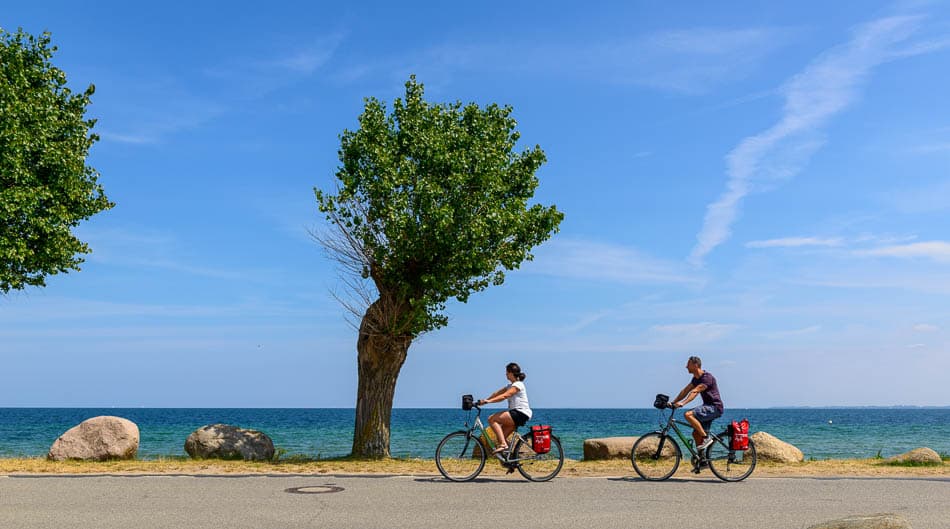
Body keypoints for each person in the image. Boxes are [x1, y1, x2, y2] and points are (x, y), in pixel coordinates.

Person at [476, 362, 532, 455]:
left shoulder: (518, 385)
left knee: (492, 418)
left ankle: (503, 445)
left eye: (506, 372)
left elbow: (505, 396)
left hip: (520, 413)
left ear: (511, 373)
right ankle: (512, 460)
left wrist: (488, 402)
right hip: (515, 414)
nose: (505, 374)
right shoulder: (509, 386)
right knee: (501, 436)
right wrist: (485, 400)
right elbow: (496, 394)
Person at [671, 355, 723, 451]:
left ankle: (706, 438)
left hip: (714, 407)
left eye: (688, 364)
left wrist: (683, 403)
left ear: (695, 365)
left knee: (688, 414)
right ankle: (702, 460)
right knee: (695, 434)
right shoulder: (696, 378)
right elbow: (685, 390)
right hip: (707, 407)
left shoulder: (707, 378)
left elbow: (695, 391)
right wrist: (673, 402)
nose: (686, 367)